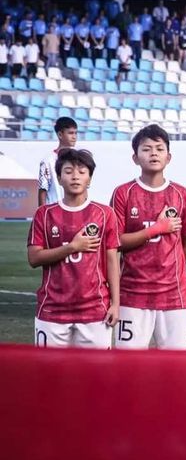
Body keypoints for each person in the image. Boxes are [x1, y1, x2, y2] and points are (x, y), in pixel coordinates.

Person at [111, 124, 186, 350]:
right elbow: (116, 242)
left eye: (159, 149)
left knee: (177, 366)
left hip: (174, 294)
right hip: (133, 292)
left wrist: (173, 269)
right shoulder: (123, 193)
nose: (153, 154)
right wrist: (156, 229)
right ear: (135, 157)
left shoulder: (182, 194)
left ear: (168, 157)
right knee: (128, 363)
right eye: (147, 149)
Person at [28, 148, 120, 349]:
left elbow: (112, 260)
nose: (75, 176)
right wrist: (72, 247)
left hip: (95, 310)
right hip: (52, 310)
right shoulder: (43, 214)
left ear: (89, 178)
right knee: (49, 375)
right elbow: (34, 258)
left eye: (81, 172)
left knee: (94, 377)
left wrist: (116, 303)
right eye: (68, 171)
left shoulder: (105, 214)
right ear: (59, 179)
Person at [38, 117, 78, 207]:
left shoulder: (79, 160)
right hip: (54, 211)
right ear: (60, 135)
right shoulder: (47, 161)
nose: (74, 137)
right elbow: (42, 190)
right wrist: (41, 214)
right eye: (70, 133)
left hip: (74, 210)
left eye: (76, 133)